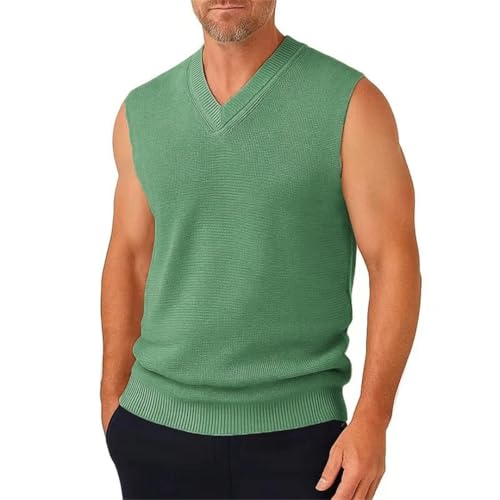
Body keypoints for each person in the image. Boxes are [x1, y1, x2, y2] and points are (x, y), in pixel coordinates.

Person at [100, 1, 422, 498]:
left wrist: (373, 418)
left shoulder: (352, 104)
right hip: (154, 429)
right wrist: (113, 399)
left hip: (303, 440)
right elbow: (129, 255)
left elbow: (393, 261)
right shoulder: (142, 111)